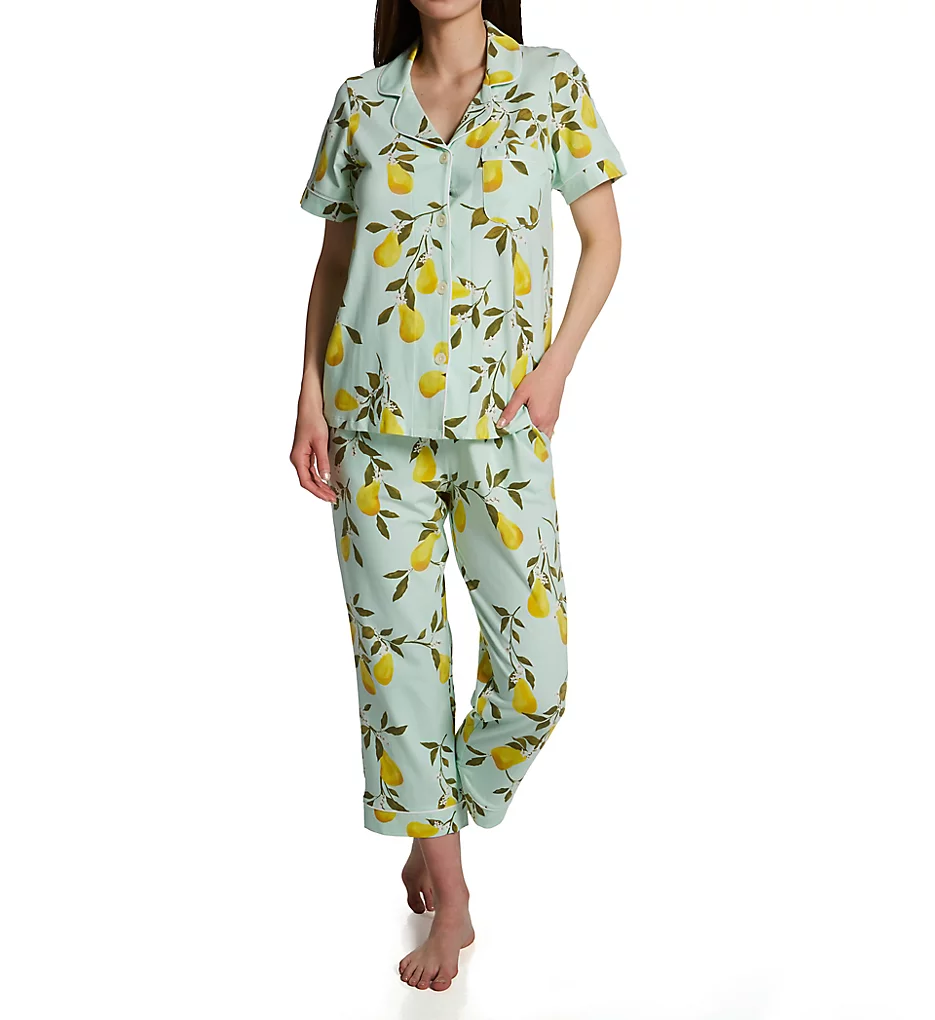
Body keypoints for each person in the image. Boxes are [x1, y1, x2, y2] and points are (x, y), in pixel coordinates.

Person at [291, 0, 625, 993]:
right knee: (400, 669)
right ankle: (451, 894)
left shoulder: (548, 82)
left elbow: (603, 240)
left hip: (505, 422)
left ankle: (427, 806)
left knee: (537, 677)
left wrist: (558, 366)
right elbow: (334, 264)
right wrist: (307, 398)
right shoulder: (361, 103)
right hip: (370, 421)